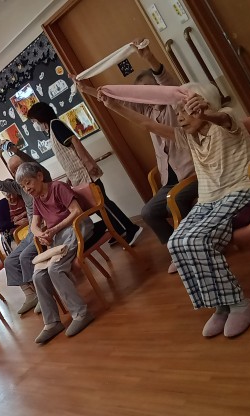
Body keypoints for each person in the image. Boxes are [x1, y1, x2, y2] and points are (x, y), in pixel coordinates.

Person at [98, 82, 250, 338]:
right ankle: (220, 305)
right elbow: (147, 124)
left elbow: (221, 119)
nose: (181, 118)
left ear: (203, 105)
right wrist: (114, 105)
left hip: (238, 189)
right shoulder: (188, 137)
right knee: (176, 242)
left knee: (197, 239)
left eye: (185, 111)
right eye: (178, 112)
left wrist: (206, 114)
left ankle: (240, 303)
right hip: (209, 199)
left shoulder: (226, 118)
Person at [76, 39, 197, 273]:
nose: (147, 97)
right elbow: (116, 100)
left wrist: (149, 57)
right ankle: (177, 250)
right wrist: (87, 90)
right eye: (143, 94)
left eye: (151, 91)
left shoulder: (175, 104)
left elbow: (167, 82)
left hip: (191, 174)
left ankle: (193, 246)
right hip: (170, 180)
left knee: (176, 200)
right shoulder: (147, 110)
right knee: (148, 212)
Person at [26, 101, 143, 247]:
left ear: (40, 117)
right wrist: (69, 177)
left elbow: (75, 141)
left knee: (103, 204)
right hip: (77, 177)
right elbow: (67, 156)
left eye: (34, 121)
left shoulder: (56, 125)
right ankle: (118, 230)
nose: (34, 125)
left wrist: (88, 162)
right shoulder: (51, 131)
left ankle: (131, 228)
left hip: (85, 173)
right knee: (95, 206)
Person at [15, 162, 95, 344]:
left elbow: (77, 211)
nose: (27, 188)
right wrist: (41, 234)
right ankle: (52, 323)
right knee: (38, 275)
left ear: (40, 176)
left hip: (76, 227)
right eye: (23, 186)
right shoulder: (37, 199)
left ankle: (81, 314)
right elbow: (34, 226)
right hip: (58, 236)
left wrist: (54, 229)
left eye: (28, 182)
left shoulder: (58, 187)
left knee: (55, 269)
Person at [0, 144, 52, 315]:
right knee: (9, 261)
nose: (16, 172)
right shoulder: (19, 186)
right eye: (13, 171)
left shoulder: (41, 177)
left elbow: (34, 164)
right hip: (31, 231)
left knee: (24, 256)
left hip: (45, 227)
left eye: (18, 167)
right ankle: (31, 295)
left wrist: (15, 151)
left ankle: (42, 294)